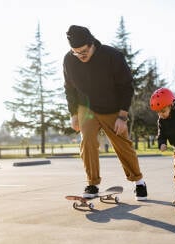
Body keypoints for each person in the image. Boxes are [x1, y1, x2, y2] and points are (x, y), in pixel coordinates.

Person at [63, 25, 147, 200]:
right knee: (87, 142)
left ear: (92, 43)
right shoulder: (69, 60)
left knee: (122, 145)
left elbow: (126, 87)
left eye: (83, 51)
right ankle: (93, 184)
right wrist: (73, 113)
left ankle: (138, 182)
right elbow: (69, 88)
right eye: (76, 52)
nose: (80, 56)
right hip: (86, 108)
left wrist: (122, 116)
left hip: (112, 108)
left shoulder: (112, 56)